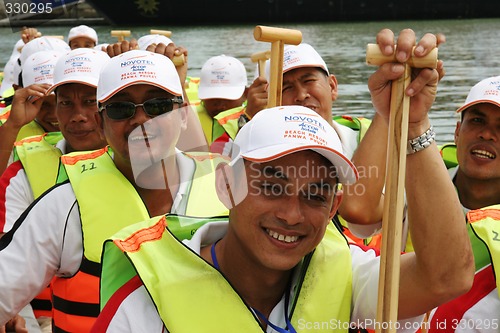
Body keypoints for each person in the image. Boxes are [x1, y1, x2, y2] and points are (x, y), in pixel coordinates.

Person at [93, 99, 473, 331]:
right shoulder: (145, 300)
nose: (292, 215)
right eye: (272, 187)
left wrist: (414, 128)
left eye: (315, 195)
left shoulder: (348, 275)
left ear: (333, 210)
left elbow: (447, 277)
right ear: (227, 186)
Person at [0, 49, 228, 332]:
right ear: (101, 122)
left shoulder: (228, 190)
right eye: (121, 109)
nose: (141, 119)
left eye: (157, 106)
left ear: (183, 115)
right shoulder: (64, 207)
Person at [0, 47, 110, 333]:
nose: (78, 116)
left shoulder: (145, 167)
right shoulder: (23, 173)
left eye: (91, 102)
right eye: (65, 103)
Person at [423, 76, 500, 331]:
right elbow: (360, 214)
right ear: (457, 132)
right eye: (477, 120)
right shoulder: (413, 189)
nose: (487, 134)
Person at [0, 50, 63, 175]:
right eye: (42, 104)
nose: (54, 113)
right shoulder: (10, 130)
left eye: (64, 103)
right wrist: (13, 125)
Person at [195, 54, 248, 152]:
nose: (220, 105)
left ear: (245, 94)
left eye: (227, 98)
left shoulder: (256, 117)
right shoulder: (188, 120)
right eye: (212, 98)